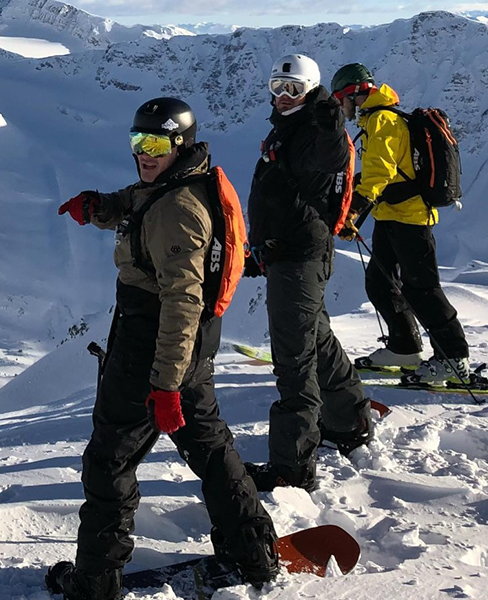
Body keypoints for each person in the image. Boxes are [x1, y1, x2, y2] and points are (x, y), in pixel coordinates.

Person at [47, 97, 279, 600]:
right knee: (211, 448)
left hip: (153, 350)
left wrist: (164, 385)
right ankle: (252, 549)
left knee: (109, 461)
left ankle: (95, 581)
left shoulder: (178, 209)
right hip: (190, 352)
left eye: (155, 144)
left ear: (181, 144)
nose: (144, 154)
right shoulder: (180, 182)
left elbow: (182, 302)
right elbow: (138, 199)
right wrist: (101, 207)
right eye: (138, 142)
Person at [244, 54, 373, 494]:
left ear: (310, 90)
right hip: (287, 254)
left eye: (292, 89)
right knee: (316, 342)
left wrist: (332, 125)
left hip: (300, 259)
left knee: (294, 361)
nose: (282, 97)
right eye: (276, 87)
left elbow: (333, 157)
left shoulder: (317, 127)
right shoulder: (288, 126)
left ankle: (292, 466)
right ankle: (350, 420)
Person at [331, 63, 470, 384]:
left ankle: (454, 357)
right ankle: (405, 347)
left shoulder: (383, 121)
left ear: (354, 94)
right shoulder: (377, 119)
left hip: (411, 219)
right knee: (380, 284)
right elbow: (383, 172)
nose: (341, 107)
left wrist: (353, 211)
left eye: (341, 99)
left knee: (422, 289)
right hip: (391, 215)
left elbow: (380, 172)